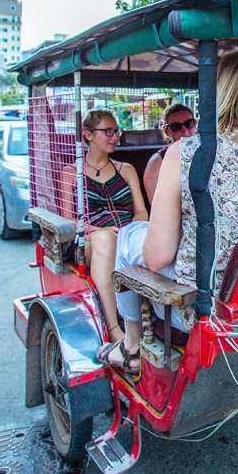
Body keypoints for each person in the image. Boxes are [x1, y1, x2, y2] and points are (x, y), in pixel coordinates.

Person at [108, 51, 238, 371]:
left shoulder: (185, 153)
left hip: (214, 310)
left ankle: (131, 343)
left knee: (126, 237)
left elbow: (156, 258)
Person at [57, 110, 147, 370]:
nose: (114, 136)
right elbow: (70, 220)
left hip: (125, 234)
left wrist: (129, 230)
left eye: (116, 131)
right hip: (89, 240)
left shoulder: (126, 169)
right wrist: (100, 230)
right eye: (108, 131)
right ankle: (114, 327)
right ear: (88, 135)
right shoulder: (70, 173)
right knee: (106, 240)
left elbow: (141, 211)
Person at [142, 103, 197, 202]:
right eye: (176, 126)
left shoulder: (207, 153)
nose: (184, 130)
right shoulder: (157, 162)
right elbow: (156, 206)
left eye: (189, 124)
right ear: (167, 131)